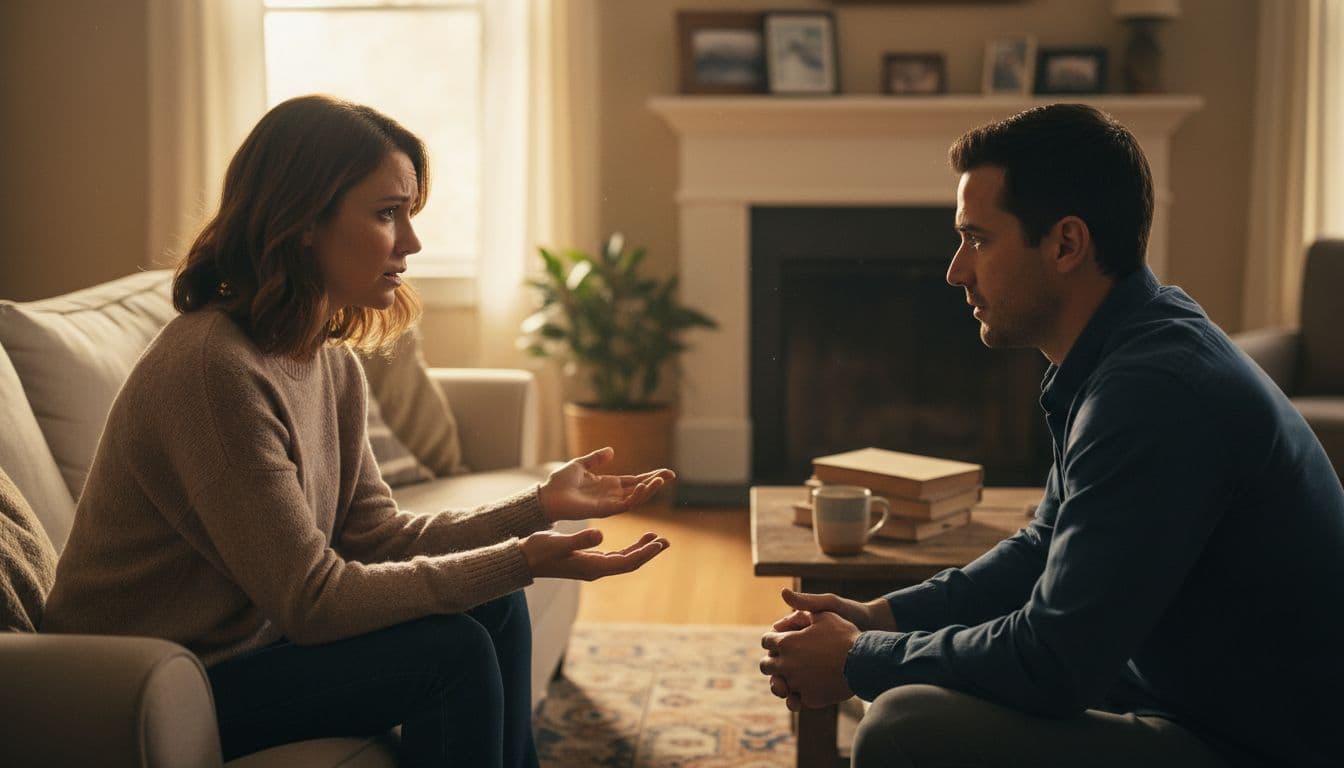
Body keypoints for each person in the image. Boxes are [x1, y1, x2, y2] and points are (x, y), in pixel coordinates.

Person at [42, 94, 674, 767]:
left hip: (249, 649)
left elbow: (377, 536)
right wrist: (520, 556)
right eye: (387, 214)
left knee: (499, 606)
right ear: (302, 221)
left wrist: (538, 507)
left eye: (410, 214)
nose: (412, 243)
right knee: (451, 652)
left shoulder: (327, 358)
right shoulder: (211, 370)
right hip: (148, 680)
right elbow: (313, 601)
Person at [758, 103, 1344, 767]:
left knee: (903, 723)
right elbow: (1044, 547)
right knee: (912, 675)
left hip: (1256, 743)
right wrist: (882, 618)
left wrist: (860, 660)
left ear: (1067, 244)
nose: (956, 270)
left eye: (977, 238)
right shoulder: (1130, 345)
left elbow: (1056, 662)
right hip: (1186, 691)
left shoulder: (1154, 393)